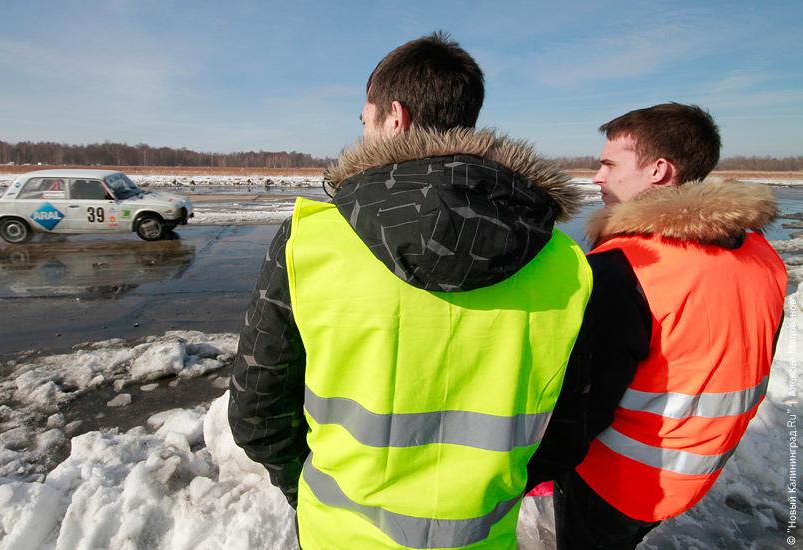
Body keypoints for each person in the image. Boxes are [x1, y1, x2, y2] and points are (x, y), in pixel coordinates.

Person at [228, 31, 593, 549]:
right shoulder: (564, 263)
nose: (359, 135)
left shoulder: (311, 241)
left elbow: (257, 411)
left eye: (365, 120)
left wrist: (305, 487)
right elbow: (567, 432)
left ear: (394, 119)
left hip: (338, 535)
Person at [530, 103, 787, 549]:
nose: (597, 177)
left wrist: (536, 468)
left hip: (617, 482)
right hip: (695, 471)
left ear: (659, 171)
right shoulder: (760, 253)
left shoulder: (626, 268)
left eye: (609, 164)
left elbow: (581, 405)